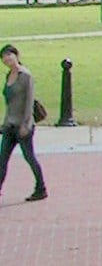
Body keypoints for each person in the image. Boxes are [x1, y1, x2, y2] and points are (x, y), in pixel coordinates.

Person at [0, 45, 45, 202]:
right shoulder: (8, 76)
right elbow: (9, 103)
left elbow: (28, 102)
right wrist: (5, 123)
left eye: (9, 55)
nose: (7, 59)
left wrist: (26, 125)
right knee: (2, 160)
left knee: (29, 157)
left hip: (23, 127)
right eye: (4, 57)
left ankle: (41, 188)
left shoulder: (25, 75)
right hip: (10, 125)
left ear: (16, 56)